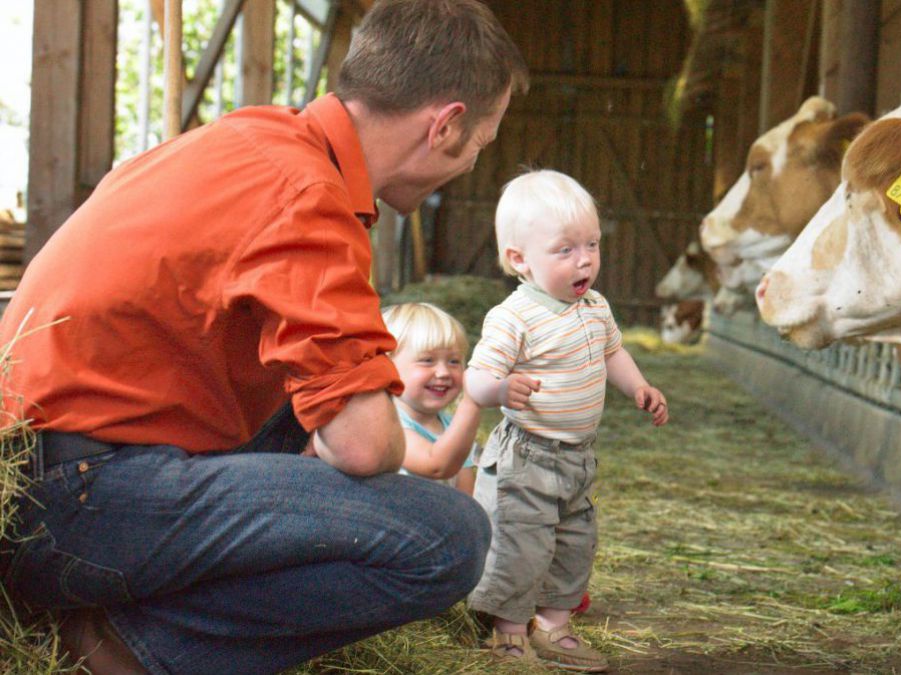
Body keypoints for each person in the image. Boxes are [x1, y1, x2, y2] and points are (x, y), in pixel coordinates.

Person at [0, 1, 528, 673]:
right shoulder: (305, 194)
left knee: (293, 394)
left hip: (40, 477)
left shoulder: (254, 139)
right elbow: (366, 446)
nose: (474, 161)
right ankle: (126, 647)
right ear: (447, 125)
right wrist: (389, 428)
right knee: (451, 536)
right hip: (72, 505)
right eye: (482, 141)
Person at [465, 170, 668, 672]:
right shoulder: (513, 317)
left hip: (578, 455)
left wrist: (638, 385)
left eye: (592, 244)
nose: (585, 260)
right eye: (565, 250)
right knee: (523, 544)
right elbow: (475, 381)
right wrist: (500, 389)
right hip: (528, 454)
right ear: (519, 260)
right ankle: (509, 632)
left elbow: (613, 352)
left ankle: (554, 625)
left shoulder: (595, 307)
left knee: (575, 541)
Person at [382, 302, 480, 495]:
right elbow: (435, 465)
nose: (443, 372)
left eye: (454, 361)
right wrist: (473, 402)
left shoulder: (453, 426)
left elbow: (467, 498)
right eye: (427, 360)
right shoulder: (387, 422)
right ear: (387, 366)